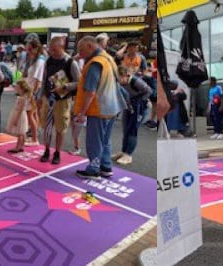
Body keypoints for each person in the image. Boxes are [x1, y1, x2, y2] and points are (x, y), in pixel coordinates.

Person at [73, 36, 122, 180]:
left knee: (94, 140)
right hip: (112, 106)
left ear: (90, 46)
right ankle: (106, 167)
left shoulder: (95, 63)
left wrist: (82, 112)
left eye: (81, 50)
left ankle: (93, 169)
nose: (79, 54)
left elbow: (90, 91)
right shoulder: (108, 58)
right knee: (105, 140)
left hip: (98, 108)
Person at [40, 37, 81, 164]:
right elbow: (44, 78)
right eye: (49, 47)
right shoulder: (49, 60)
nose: (50, 50)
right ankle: (46, 150)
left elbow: (79, 82)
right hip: (48, 98)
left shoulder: (70, 62)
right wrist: (41, 95)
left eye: (53, 48)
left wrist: (65, 87)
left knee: (60, 127)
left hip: (63, 100)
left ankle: (57, 152)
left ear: (61, 47)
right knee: (46, 126)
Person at [114, 67, 152, 165]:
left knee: (132, 130)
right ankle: (123, 151)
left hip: (140, 108)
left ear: (126, 75)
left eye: (120, 78)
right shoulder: (120, 82)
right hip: (129, 106)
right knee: (126, 129)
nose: (119, 81)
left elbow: (149, 91)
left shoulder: (135, 81)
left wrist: (139, 100)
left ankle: (128, 154)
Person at [23, 38, 46, 145]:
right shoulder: (35, 60)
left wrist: (33, 94)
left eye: (29, 49)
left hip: (32, 92)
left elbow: (38, 81)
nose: (28, 51)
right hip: (30, 90)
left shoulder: (40, 61)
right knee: (34, 114)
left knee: (30, 114)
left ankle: (34, 139)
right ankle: (34, 135)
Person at [7, 80, 33, 153]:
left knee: (20, 133)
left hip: (19, 115)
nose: (16, 89)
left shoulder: (22, 98)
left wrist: (16, 119)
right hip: (20, 114)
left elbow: (20, 110)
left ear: (22, 89)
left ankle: (18, 147)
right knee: (22, 132)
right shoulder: (23, 96)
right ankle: (21, 146)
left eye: (17, 88)